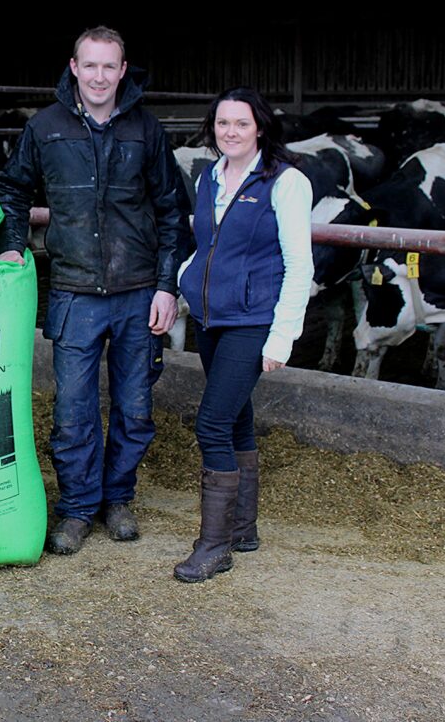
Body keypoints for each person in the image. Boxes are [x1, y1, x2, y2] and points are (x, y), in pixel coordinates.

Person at [0, 26, 192, 555]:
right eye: (90, 65)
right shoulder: (45, 128)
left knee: (135, 407)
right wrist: (12, 245)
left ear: (122, 71)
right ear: (74, 68)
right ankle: (79, 506)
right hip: (74, 291)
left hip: (137, 291)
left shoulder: (146, 130)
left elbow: (172, 210)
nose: (99, 76)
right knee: (73, 411)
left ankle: (118, 498)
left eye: (109, 66)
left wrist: (166, 286)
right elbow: (13, 190)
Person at [174, 87, 314, 583]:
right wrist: (185, 281)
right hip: (210, 318)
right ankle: (242, 530)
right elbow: (206, 247)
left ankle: (214, 546)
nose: (230, 132)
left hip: (252, 321)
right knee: (235, 419)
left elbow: (300, 265)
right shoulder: (209, 177)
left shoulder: (286, 182)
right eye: (222, 123)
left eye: (241, 123)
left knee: (211, 424)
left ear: (260, 128)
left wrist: (282, 337)